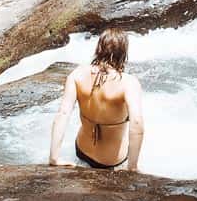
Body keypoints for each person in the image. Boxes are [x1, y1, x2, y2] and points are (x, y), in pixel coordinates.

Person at [48, 28, 145, 170]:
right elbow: (136, 123)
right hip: (111, 161)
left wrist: (54, 158)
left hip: (81, 151)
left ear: (99, 48)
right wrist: (132, 167)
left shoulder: (77, 74)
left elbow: (63, 114)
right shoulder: (128, 83)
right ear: (123, 53)